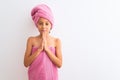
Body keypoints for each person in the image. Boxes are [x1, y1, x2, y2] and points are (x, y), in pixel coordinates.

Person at [24, 4, 62, 80]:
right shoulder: (31, 40)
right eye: (40, 23)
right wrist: (39, 50)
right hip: (35, 77)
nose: (44, 26)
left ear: (51, 25)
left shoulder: (56, 41)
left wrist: (47, 50)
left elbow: (59, 64)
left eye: (46, 24)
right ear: (37, 25)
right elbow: (26, 63)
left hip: (51, 77)